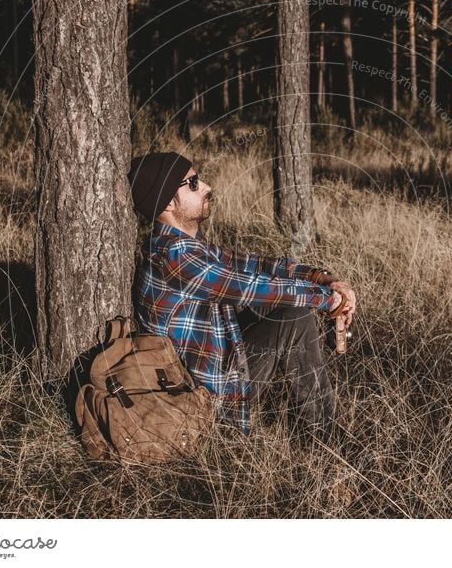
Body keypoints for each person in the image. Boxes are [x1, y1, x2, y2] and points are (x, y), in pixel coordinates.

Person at [129, 151, 357, 438]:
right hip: (205, 403)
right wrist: (329, 300)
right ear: (169, 203)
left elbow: (252, 265)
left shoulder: (188, 246)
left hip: (218, 379)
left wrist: (320, 277)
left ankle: (322, 430)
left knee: (289, 311)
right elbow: (250, 287)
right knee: (294, 316)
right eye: (194, 183)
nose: (207, 187)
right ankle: (325, 437)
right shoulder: (174, 255)